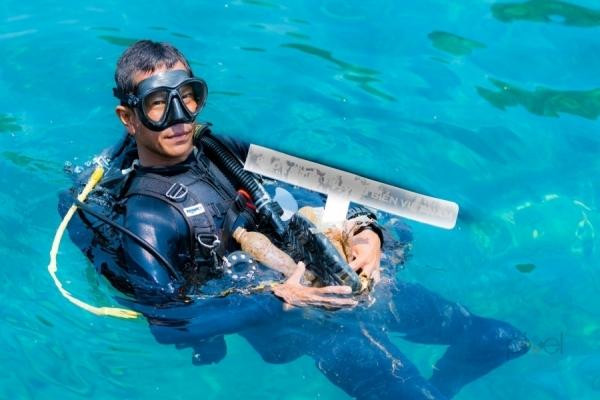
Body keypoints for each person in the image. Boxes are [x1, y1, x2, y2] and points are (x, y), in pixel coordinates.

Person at [63, 40, 530, 399]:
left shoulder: (223, 151)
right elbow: (169, 325)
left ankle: (438, 388)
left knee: (502, 340)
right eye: (159, 104)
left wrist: (366, 233)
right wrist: (279, 302)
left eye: (189, 96)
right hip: (300, 323)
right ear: (129, 117)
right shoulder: (148, 219)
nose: (181, 117)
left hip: (334, 282)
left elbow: (322, 189)